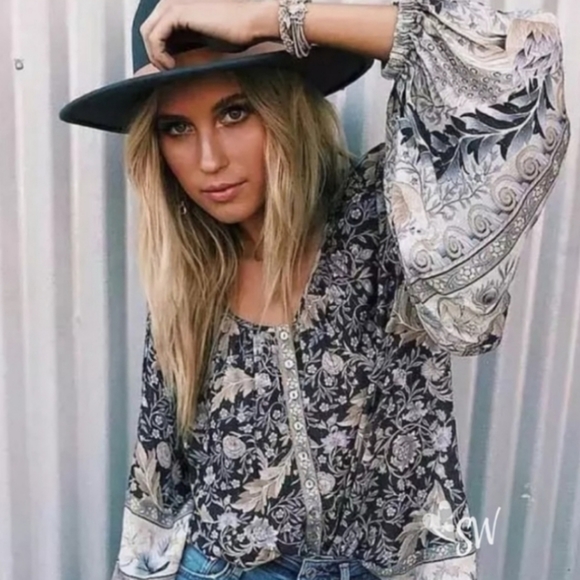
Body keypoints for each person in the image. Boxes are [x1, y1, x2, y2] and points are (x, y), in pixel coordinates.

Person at [59, 0, 570, 578]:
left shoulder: (387, 218)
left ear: (284, 108)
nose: (208, 160)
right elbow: (160, 476)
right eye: (176, 128)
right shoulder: (189, 274)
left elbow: (520, 68)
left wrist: (273, 20)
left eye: (235, 112)